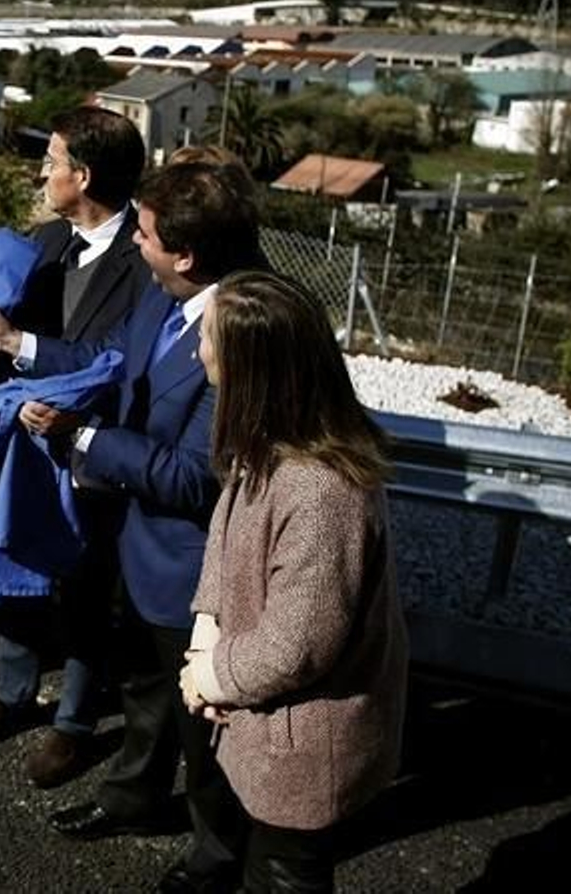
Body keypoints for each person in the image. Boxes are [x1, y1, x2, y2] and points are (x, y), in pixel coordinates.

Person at [0, 157, 265, 893]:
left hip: (194, 564)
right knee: (144, 690)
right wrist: (15, 343)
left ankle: (218, 857)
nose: (136, 246)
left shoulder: (244, 325)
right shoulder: (168, 293)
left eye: (147, 236)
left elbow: (197, 476)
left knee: (205, 728)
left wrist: (80, 436)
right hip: (134, 543)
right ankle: (133, 799)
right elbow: (107, 358)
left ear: (184, 254)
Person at [179, 271, 408, 892]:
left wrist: (209, 676)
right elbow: (225, 541)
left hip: (300, 748)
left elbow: (298, 643)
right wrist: (208, 633)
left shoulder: (318, 488)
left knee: (283, 876)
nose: (197, 347)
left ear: (253, 365)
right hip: (261, 724)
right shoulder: (270, 446)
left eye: (208, 337)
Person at [0, 106, 151, 791]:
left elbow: (118, 361)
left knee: (86, 592)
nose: (43, 171)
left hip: (94, 453)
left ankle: (73, 722)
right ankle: (12, 694)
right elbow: (12, 338)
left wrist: (22, 348)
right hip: (23, 450)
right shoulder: (42, 242)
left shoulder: (145, 261)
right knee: (15, 571)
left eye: (53, 161)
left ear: (84, 176)